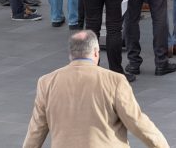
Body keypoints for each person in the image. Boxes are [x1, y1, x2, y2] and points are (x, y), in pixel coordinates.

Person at [23, 31, 168, 148]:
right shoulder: (115, 81)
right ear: (96, 52)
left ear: (70, 54)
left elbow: (36, 130)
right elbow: (136, 122)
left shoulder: (46, 82)